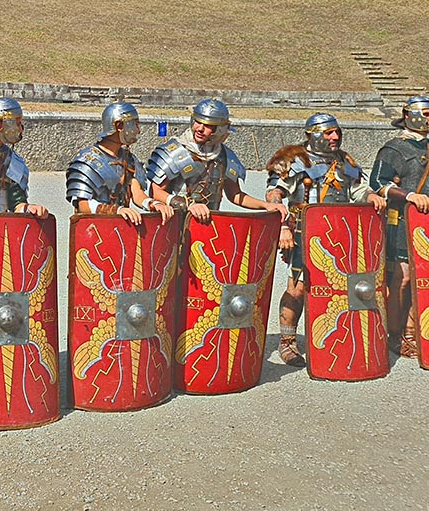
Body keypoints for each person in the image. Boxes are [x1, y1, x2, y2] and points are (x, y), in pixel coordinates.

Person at [265, 112, 386, 366]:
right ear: (314, 134)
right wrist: (283, 227)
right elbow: (275, 194)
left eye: (337, 132)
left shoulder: (345, 161)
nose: (335, 137)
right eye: (329, 132)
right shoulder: (293, 159)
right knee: (297, 288)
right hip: (302, 232)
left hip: (338, 236)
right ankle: (287, 341)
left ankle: (332, 338)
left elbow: (358, 190)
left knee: (337, 288)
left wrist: (371, 195)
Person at [147, 98, 286, 223]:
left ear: (220, 129)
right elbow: (156, 192)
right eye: (198, 122)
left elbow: (235, 195)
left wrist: (266, 205)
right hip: (174, 225)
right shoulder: (174, 151)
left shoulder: (225, 156)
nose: (200, 129)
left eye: (208, 125)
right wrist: (188, 204)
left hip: (209, 225)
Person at [369, 95, 429, 358]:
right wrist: (408, 195)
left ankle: (415, 331)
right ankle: (396, 333)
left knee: (424, 279)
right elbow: (378, 183)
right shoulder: (394, 149)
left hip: (426, 223)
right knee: (402, 278)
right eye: (425, 114)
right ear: (408, 116)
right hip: (403, 221)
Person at [66, 101, 173, 224]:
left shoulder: (128, 160)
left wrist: (154, 204)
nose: (138, 131)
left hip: (120, 228)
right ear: (119, 126)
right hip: (94, 229)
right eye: (135, 124)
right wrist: (116, 210)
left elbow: (137, 193)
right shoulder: (87, 161)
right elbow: (83, 205)